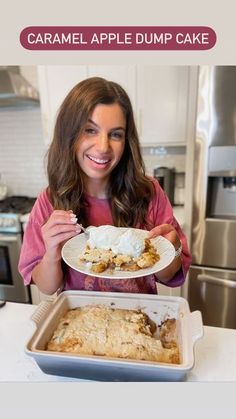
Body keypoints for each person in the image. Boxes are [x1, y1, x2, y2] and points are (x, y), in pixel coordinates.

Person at [18, 76, 191, 295]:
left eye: (116, 134)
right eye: (90, 130)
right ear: (68, 133)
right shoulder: (50, 201)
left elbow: (170, 277)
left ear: (126, 141)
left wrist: (170, 251)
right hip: (82, 321)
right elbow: (47, 287)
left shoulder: (149, 192)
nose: (103, 147)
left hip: (138, 318)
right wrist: (52, 252)